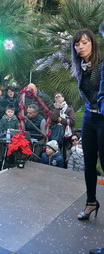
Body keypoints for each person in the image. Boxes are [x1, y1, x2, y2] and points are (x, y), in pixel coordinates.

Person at [72, 29, 103, 222]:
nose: (80, 47)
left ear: (92, 43)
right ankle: (91, 202)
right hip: (89, 119)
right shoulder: (81, 67)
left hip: (103, 119)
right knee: (88, 163)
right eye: (77, 44)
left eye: (84, 42)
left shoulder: (101, 66)